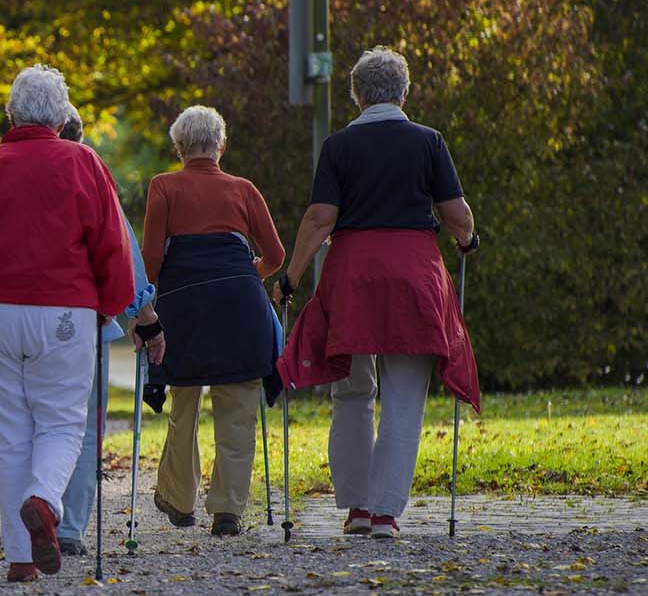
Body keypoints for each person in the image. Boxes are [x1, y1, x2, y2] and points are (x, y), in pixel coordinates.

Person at [0, 64, 135, 582]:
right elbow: (111, 245)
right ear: (62, 116)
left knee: (11, 431)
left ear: (11, 113)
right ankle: (44, 500)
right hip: (64, 310)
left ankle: (21, 557)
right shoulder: (84, 162)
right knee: (62, 422)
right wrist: (112, 302)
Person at [273, 46, 480, 539]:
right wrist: (468, 240)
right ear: (404, 92)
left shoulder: (338, 146)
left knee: (351, 390)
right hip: (414, 275)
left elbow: (320, 219)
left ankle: (357, 508)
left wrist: (291, 276)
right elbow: (456, 215)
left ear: (357, 95)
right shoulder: (428, 141)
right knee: (405, 394)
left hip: (352, 277)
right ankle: (387, 512)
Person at [141, 105, 286, 536]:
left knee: (184, 403)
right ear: (221, 146)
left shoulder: (163, 186)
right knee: (239, 407)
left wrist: (147, 304)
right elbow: (276, 257)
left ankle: (179, 499)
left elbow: (150, 263)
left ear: (180, 147)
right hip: (241, 307)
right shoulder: (244, 189)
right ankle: (227, 511)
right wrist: (244, 275)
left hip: (184, 308)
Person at [54, 107, 164, 556]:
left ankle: (33, 516)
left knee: (33, 425)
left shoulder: (5, 170)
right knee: (83, 427)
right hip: (86, 321)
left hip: (18, 319)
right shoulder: (92, 175)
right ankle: (70, 527)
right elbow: (122, 252)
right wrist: (146, 319)